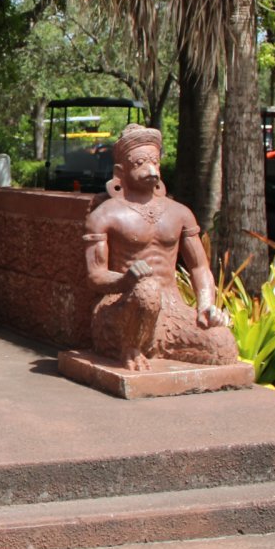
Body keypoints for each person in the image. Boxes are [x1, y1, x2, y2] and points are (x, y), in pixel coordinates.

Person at [83, 124, 239, 371]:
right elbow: (95, 275)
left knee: (224, 346)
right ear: (120, 172)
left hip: (171, 313)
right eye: (141, 163)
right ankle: (131, 348)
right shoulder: (104, 216)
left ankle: (154, 345)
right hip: (123, 312)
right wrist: (126, 280)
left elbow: (199, 267)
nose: (151, 169)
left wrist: (206, 306)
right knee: (146, 290)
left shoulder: (180, 213)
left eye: (154, 162)